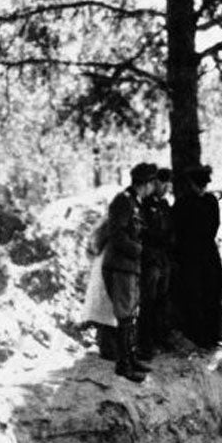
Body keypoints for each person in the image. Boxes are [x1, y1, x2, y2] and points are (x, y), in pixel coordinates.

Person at [102, 161, 157, 382]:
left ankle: (130, 358)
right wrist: (139, 251)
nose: (153, 187)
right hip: (121, 266)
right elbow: (117, 235)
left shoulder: (134, 202)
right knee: (125, 315)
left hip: (129, 267)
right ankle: (123, 365)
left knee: (130, 314)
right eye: (152, 183)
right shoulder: (123, 202)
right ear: (145, 184)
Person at [172, 164, 222, 349]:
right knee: (193, 294)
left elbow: (214, 226)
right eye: (198, 184)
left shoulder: (211, 201)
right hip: (189, 254)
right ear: (191, 184)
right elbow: (178, 230)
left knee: (211, 292)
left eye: (204, 185)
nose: (201, 188)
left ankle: (212, 335)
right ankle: (196, 336)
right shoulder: (183, 203)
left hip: (206, 252)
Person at [140, 166, 175, 359]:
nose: (167, 187)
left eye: (168, 183)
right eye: (164, 183)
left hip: (163, 258)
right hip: (150, 259)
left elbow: (171, 231)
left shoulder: (164, 206)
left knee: (162, 299)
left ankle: (161, 337)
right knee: (148, 301)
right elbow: (145, 232)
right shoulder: (144, 205)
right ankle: (145, 343)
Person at [80, 217, 117, 360]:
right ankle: (109, 350)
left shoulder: (103, 235)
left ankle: (106, 347)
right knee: (110, 318)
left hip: (105, 280)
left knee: (106, 318)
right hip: (111, 280)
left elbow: (89, 251)